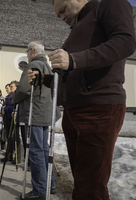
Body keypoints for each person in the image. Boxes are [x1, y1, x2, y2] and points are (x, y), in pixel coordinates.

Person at [28, 0, 136, 199]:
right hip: (76, 111)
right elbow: (72, 77)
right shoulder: (80, 25)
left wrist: (75, 60)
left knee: (90, 187)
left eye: (63, 10)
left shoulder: (110, 4)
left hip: (98, 108)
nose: (61, 17)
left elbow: (126, 41)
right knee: (83, 181)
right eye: (58, 15)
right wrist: (44, 79)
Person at [13, 41, 58, 200]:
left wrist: (14, 98)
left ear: (32, 51)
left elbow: (24, 89)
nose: (26, 54)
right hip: (46, 114)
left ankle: (39, 190)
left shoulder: (33, 65)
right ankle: (49, 184)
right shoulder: (48, 67)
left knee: (36, 152)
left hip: (34, 115)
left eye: (27, 52)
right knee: (44, 150)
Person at [0, 81, 21, 164]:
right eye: (10, 86)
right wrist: (3, 110)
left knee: (16, 138)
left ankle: (17, 157)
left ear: (16, 87)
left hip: (14, 119)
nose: (10, 87)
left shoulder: (16, 96)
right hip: (7, 119)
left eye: (12, 86)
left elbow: (13, 107)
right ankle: (9, 155)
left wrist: (5, 108)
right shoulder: (8, 96)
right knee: (9, 138)